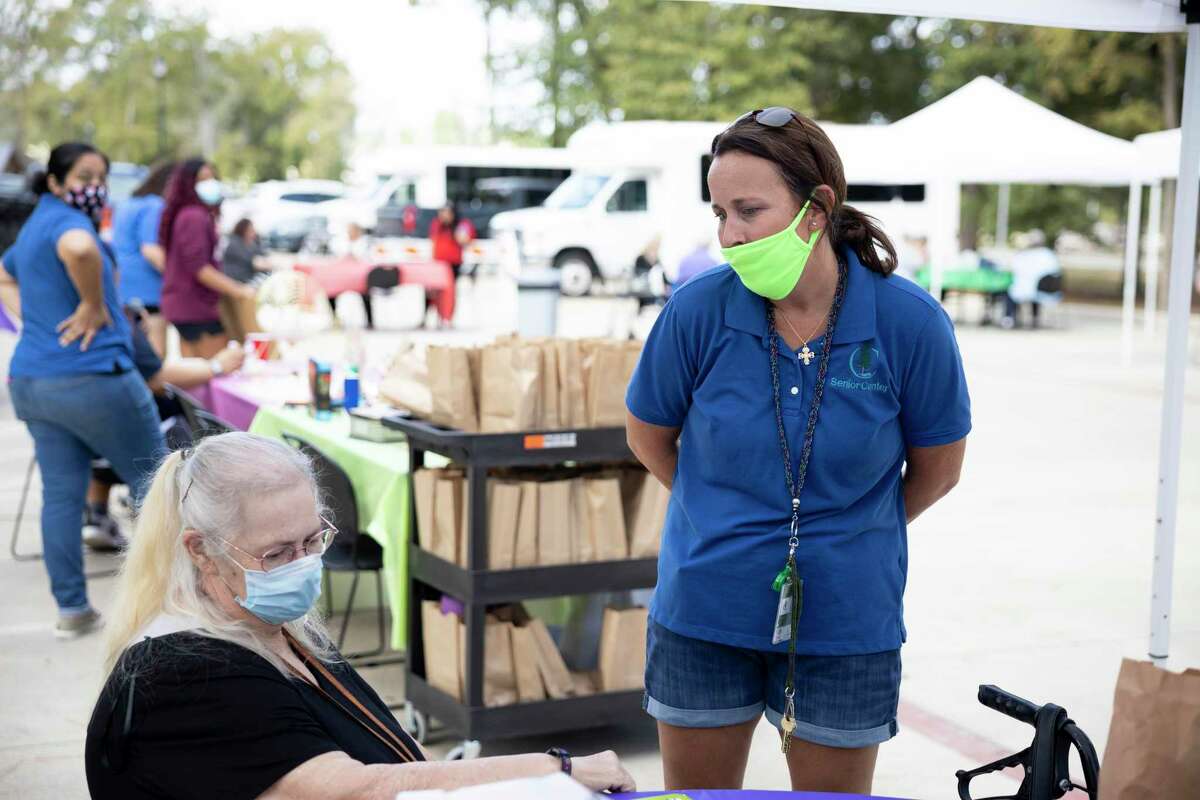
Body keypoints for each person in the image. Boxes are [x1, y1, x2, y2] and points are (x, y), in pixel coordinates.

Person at [625, 107, 971, 794]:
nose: (729, 235)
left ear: (817, 209)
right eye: (720, 213)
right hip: (704, 612)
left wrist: (852, 531)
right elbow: (648, 437)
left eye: (748, 211)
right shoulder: (696, 312)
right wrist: (717, 513)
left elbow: (937, 470)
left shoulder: (908, 323)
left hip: (846, 623)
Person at [85, 433, 636, 799]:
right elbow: (361, 790)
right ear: (201, 550)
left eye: (312, 540)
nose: (302, 566)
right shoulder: (185, 674)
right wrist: (551, 768)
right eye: (276, 554)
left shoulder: (267, 630)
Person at [0, 142, 165, 638]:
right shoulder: (70, 228)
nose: (95, 185)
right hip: (97, 378)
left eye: (102, 175)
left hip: (35, 382)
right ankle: (169, 606)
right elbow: (80, 250)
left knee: (61, 497)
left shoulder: (35, 226)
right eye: (84, 175)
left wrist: (35, 321)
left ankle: (72, 610)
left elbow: (4, 274)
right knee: (158, 489)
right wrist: (92, 303)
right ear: (55, 181)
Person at [83, 305, 246, 551]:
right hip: (130, 452)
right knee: (164, 422)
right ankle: (156, 528)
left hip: (83, 448)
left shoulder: (56, 315)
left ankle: (97, 513)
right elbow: (156, 378)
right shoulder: (116, 317)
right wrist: (215, 367)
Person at [160, 158, 256, 358]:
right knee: (212, 371)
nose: (210, 183)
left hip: (186, 307)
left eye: (212, 177)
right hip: (195, 307)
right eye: (203, 179)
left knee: (194, 372)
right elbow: (200, 269)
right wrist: (239, 291)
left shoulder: (190, 214)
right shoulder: (194, 216)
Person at [112, 161, 175, 356]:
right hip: (148, 291)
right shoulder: (155, 206)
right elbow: (150, 250)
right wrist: (179, 276)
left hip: (124, 288)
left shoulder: (127, 203)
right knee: (155, 357)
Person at [428, 203, 475, 327]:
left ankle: (448, 318)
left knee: (450, 293)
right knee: (433, 293)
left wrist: (455, 231)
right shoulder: (437, 224)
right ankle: (438, 317)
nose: (443, 216)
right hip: (438, 265)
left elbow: (465, 240)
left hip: (452, 264)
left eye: (446, 213)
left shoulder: (461, 225)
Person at [1002, 229, 1060, 329]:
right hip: (1047, 289)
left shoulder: (1027, 255)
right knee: (1022, 289)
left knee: (1010, 290)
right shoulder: (1049, 255)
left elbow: (1015, 268)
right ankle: (1034, 318)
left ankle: (1009, 318)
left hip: (1032, 288)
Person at [222, 218, 271, 284]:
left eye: (253, 230)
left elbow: (262, 256)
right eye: (250, 230)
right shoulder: (234, 242)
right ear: (243, 230)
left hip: (246, 279)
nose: (253, 233)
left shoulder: (252, 243)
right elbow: (255, 262)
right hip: (234, 281)